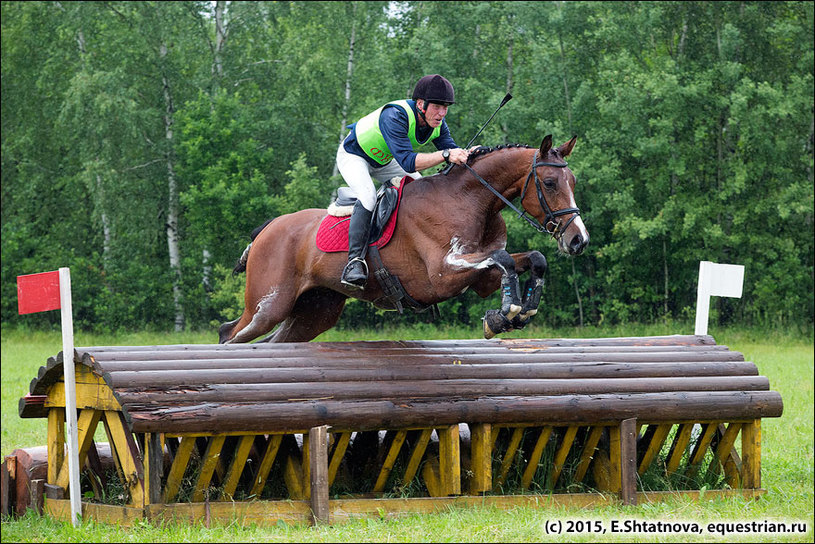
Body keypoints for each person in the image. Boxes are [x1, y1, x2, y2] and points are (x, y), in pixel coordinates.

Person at [335, 74, 473, 289]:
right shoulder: (395, 115)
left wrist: (471, 155)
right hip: (354, 156)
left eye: (446, 107)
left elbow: (452, 152)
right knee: (368, 196)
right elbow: (409, 162)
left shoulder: (437, 123)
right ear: (420, 104)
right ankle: (354, 262)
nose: (442, 113)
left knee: (422, 190)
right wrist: (447, 154)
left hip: (384, 161)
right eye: (437, 107)